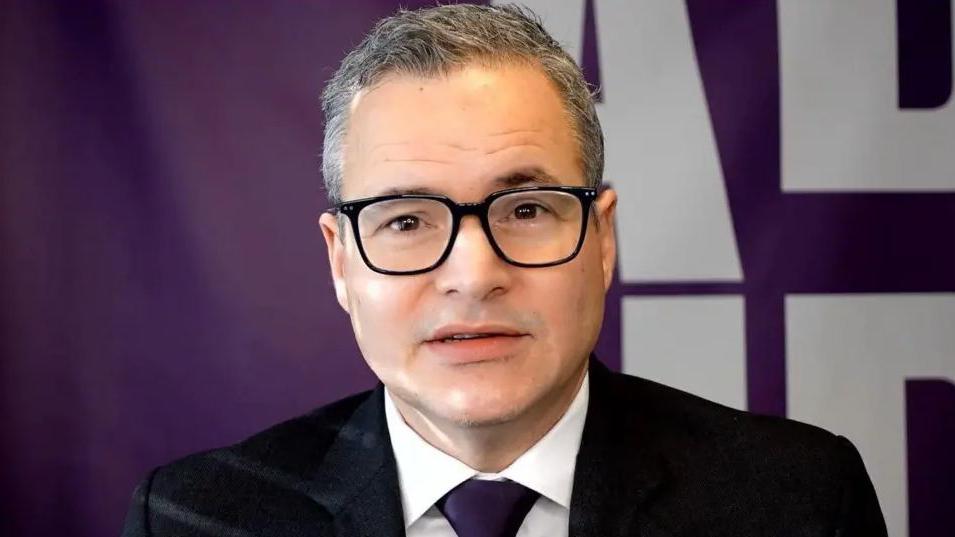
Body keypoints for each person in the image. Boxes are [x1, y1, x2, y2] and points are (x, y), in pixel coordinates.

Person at [121, 4, 887, 536]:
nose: (472, 274)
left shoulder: (797, 501)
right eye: (406, 220)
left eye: (524, 209)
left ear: (601, 237)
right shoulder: (195, 519)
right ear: (341, 261)